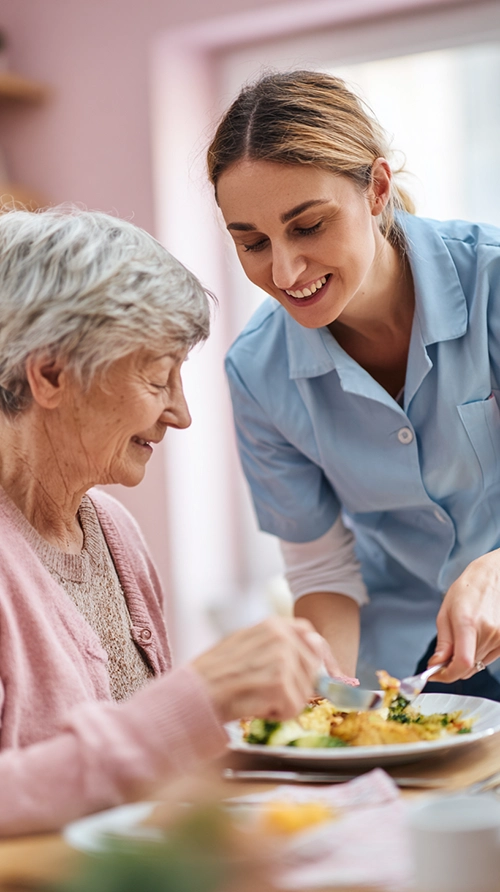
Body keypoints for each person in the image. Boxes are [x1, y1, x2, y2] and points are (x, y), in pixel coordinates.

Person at [0, 206, 325, 836]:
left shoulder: (112, 531)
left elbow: (134, 768)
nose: (181, 413)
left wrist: (262, 708)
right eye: (157, 376)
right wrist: (193, 702)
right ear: (49, 373)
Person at [207, 69, 500, 698]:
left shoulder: (493, 284)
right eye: (252, 242)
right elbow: (323, 569)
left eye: (308, 226)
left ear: (376, 187)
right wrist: (327, 692)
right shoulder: (258, 373)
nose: (285, 271)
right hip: (424, 667)